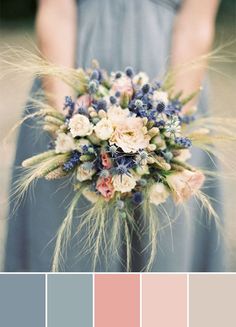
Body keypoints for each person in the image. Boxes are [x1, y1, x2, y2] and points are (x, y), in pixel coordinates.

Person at [4, 0, 226, 272]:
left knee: (167, 256)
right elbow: (56, 10)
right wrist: (69, 125)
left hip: (172, 82)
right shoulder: (68, 111)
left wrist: (170, 123)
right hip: (71, 79)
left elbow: (196, 19)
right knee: (69, 253)